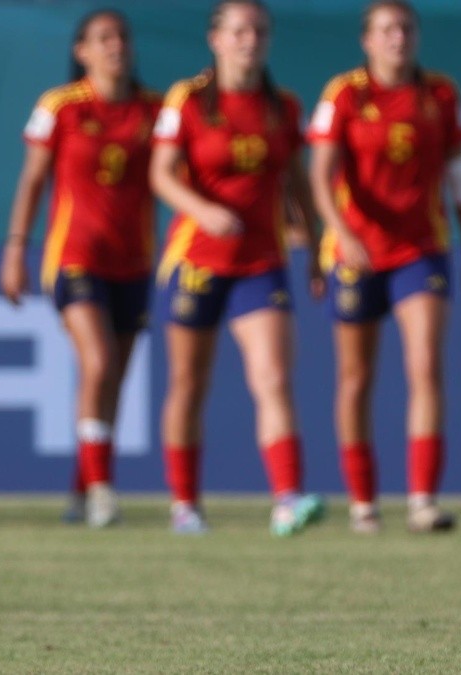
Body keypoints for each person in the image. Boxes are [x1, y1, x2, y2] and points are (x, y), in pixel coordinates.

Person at [150, 0, 326, 536]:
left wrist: (316, 248)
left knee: (273, 377)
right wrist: (202, 210)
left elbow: (297, 184)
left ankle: (287, 500)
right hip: (196, 261)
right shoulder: (189, 100)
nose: (250, 39)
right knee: (188, 382)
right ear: (216, 39)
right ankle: (185, 504)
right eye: (239, 30)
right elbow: (160, 174)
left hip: (260, 262)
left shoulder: (282, 106)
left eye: (259, 31)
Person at [309, 0, 461, 534]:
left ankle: (422, 500)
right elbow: (320, 176)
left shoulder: (440, 94)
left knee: (425, 367)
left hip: (421, 250)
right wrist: (342, 234)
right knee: (356, 378)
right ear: (367, 40)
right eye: (386, 29)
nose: (397, 38)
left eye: (405, 27)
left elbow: (459, 178)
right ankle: (363, 503)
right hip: (355, 254)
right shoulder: (343, 94)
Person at [0, 9, 160, 528]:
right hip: (74, 257)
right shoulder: (61, 106)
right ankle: (103, 491)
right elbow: (32, 180)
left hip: (134, 261)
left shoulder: (155, 110)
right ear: (82, 51)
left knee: (114, 378)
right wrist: (15, 248)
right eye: (104, 39)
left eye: (123, 37)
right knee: (99, 361)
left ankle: (82, 488)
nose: (116, 46)